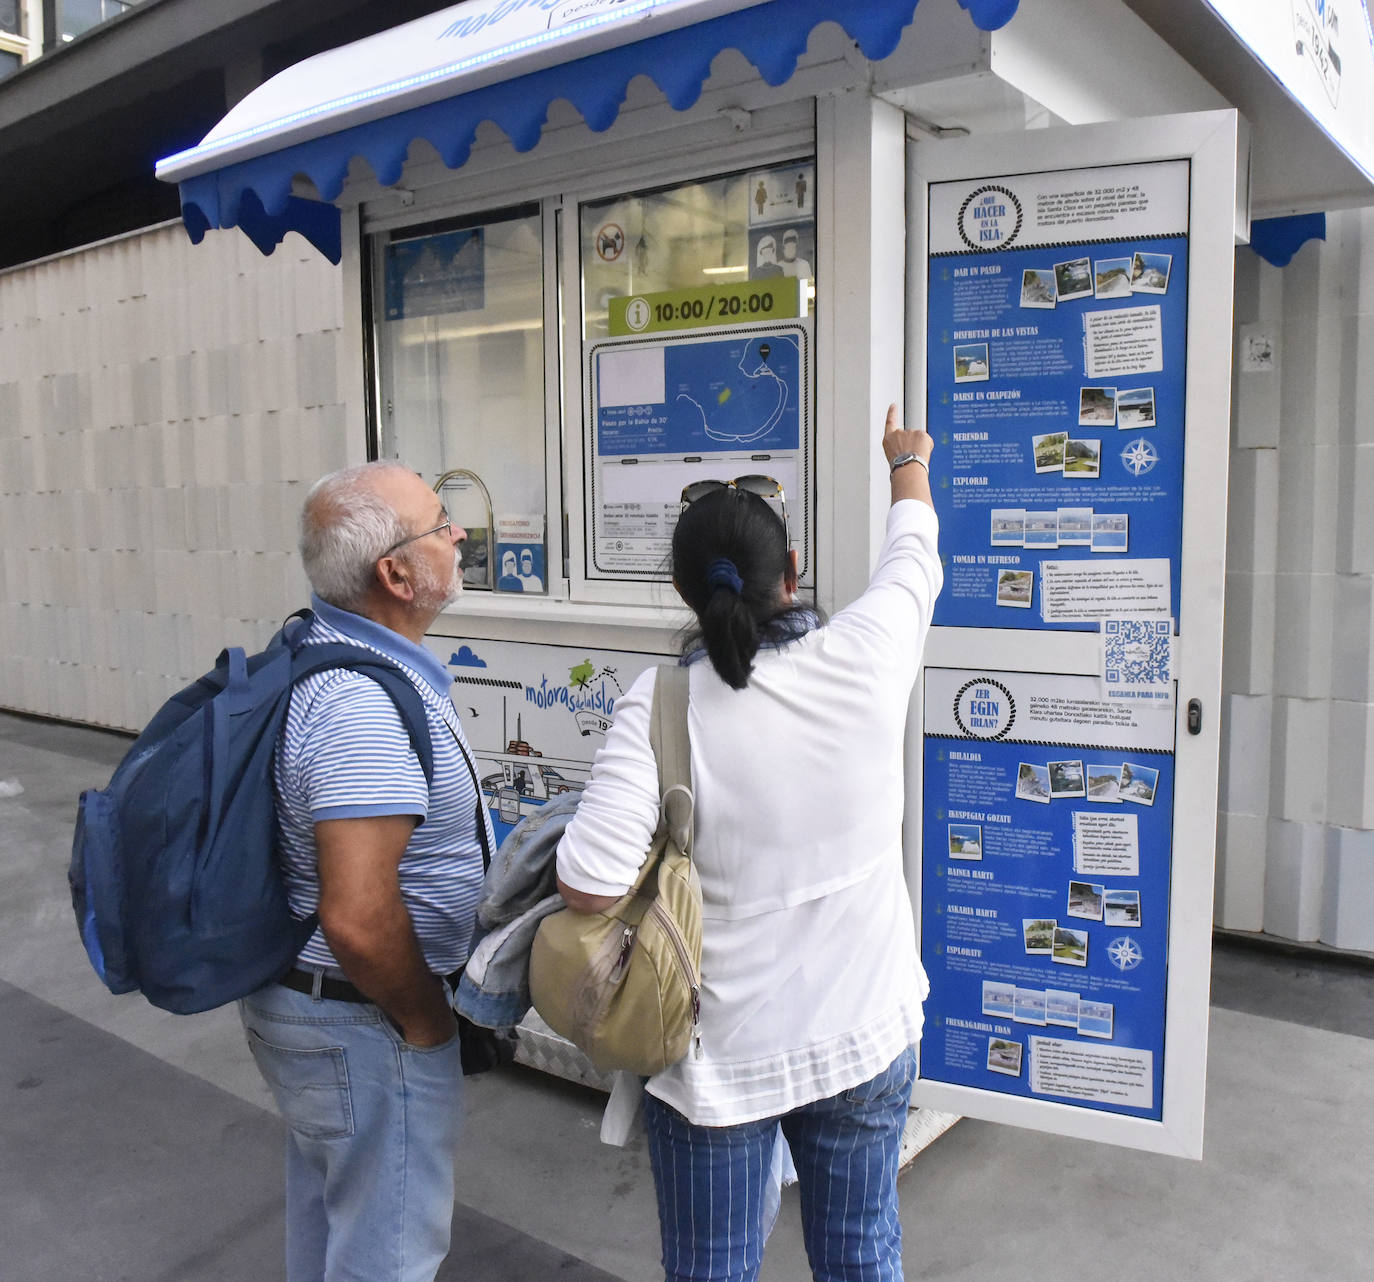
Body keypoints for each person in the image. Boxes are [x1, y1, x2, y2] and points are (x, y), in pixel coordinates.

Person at [555, 406, 941, 1280]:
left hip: (720, 1064)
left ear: (688, 592)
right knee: (862, 1254)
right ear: (792, 574)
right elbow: (916, 553)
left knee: (714, 1268)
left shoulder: (659, 705)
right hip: (865, 1032)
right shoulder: (869, 655)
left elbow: (586, 881)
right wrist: (904, 462)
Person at [239, 460, 493, 1282]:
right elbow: (356, 914)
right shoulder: (362, 706)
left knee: (335, 1226)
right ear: (396, 574)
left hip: (322, 1015)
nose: (456, 534)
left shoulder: (334, 648)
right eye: (438, 525)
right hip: (364, 1025)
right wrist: (425, 1020)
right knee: (386, 1254)